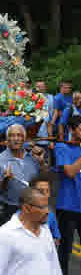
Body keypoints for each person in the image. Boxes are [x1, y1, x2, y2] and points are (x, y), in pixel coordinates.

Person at [0, 188, 62, 275]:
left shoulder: (46, 231)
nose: (47, 211)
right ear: (26, 208)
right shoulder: (5, 234)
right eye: (42, 207)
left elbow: (55, 267)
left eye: (47, 206)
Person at [0, 124, 48, 229]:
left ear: (24, 139)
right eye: (12, 135)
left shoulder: (33, 158)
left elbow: (45, 181)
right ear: (7, 140)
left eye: (19, 135)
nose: (16, 139)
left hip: (33, 210)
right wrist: (5, 181)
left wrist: (42, 163)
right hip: (11, 211)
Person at [53, 116, 81, 275]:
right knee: (65, 250)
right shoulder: (62, 147)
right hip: (68, 206)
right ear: (71, 130)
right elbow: (70, 172)